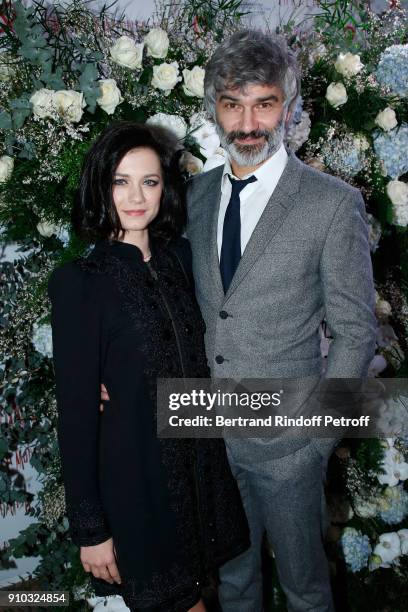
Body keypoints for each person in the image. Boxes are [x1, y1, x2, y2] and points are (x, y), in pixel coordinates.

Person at [184, 29, 377, 612]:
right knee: (235, 583)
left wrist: (316, 440)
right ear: (213, 109)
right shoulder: (190, 197)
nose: (247, 123)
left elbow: (356, 330)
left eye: (263, 103)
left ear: (288, 110)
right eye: (232, 104)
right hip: (210, 435)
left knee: (305, 589)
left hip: (291, 442)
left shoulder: (331, 203)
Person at [48, 121, 250, 612]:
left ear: (166, 187)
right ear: (100, 185)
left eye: (150, 181)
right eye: (121, 181)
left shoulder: (181, 259)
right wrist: (91, 531)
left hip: (203, 485)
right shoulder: (79, 283)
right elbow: (75, 417)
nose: (136, 196)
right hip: (138, 492)